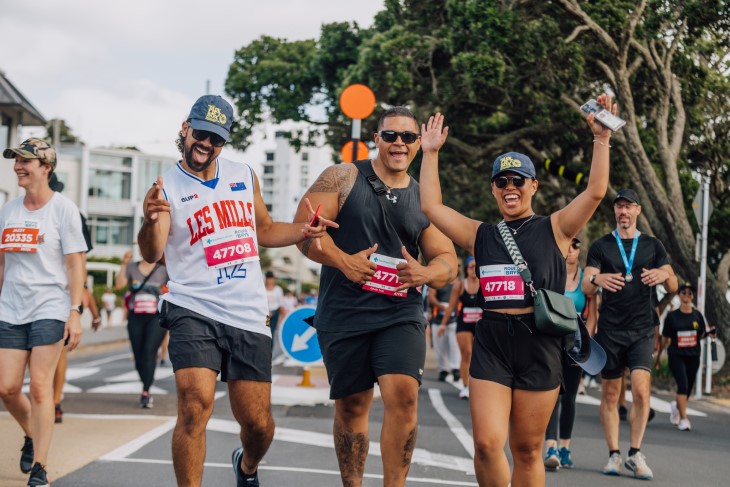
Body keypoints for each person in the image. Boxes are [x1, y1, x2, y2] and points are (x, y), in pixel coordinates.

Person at [419, 95, 615, 486]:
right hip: (492, 341)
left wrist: (601, 138)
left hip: (539, 343)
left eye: (518, 180)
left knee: (527, 450)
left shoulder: (556, 228)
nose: (510, 188)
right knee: (487, 445)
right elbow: (432, 207)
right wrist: (429, 154)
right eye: (501, 181)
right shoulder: (481, 234)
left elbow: (595, 191)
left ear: (533, 186)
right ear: (493, 189)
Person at [137, 94, 333, 487]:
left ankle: (247, 466)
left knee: (259, 425)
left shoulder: (243, 174)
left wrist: (303, 232)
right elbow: (152, 251)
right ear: (185, 128)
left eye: (216, 138)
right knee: (194, 406)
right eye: (201, 133)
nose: (206, 144)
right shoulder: (166, 186)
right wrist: (149, 219)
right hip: (191, 306)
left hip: (246, 313)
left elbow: (264, 229)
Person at [293, 106, 457, 486]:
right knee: (352, 405)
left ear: (418, 143)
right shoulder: (342, 176)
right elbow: (304, 233)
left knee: (404, 395)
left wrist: (426, 272)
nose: (399, 143)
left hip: (399, 313)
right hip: (343, 312)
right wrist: (341, 260)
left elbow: (447, 258)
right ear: (377, 139)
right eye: (391, 136)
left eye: (408, 137)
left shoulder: (423, 199)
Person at [0, 138, 87, 486]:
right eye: (16, 161)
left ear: (46, 168)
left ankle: (40, 467)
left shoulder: (63, 210)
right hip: (11, 307)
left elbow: (74, 264)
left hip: (49, 306)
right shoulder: (9, 210)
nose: (19, 166)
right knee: (6, 388)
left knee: (39, 387)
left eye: (26, 162)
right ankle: (32, 435)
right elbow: (3, 262)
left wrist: (75, 310)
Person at [583, 188, 678, 480]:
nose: (623, 212)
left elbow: (673, 283)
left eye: (628, 207)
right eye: (619, 207)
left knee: (640, 389)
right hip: (610, 331)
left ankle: (635, 454)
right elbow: (586, 286)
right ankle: (614, 454)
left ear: (638, 211)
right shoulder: (601, 246)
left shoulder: (652, 246)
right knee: (611, 394)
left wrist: (664, 276)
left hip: (641, 330)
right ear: (615, 212)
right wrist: (597, 278)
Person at [543, 237, 596, 470]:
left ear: (579, 250)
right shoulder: (553, 273)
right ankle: (550, 446)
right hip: (553, 341)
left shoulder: (586, 280)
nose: (571, 250)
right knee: (552, 393)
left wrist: (587, 343)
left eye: (576, 246)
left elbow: (593, 315)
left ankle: (565, 447)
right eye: (568, 245)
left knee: (570, 397)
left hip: (576, 342)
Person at [114, 249, 169, 408]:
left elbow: (175, 286)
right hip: (135, 316)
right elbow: (119, 285)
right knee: (138, 356)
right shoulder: (131, 267)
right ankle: (145, 381)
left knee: (149, 352)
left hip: (155, 317)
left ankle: (146, 391)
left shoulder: (163, 270)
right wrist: (124, 264)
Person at [661, 282, 715, 431]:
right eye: (683, 292)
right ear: (679, 295)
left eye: (690, 293)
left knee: (688, 388)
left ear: (692, 297)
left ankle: (676, 406)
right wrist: (659, 355)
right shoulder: (672, 316)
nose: (687, 295)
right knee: (683, 385)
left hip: (693, 355)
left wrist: (710, 333)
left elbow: (702, 334)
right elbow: (665, 337)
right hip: (676, 355)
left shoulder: (697, 315)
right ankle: (684, 420)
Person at [441, 256, 482, 399]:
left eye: (476, 266)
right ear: (466, 268)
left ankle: (478, 387)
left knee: (479, 356)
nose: (473, 269)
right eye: (471, 266)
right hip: (464, 323)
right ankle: (465, 387)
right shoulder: (460, 285)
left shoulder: (484, 284)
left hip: (480, 324)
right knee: (467, 354)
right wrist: (442, 324)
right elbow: (451, 306)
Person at [429, 278, 460, 383]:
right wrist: (442, 307)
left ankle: (455, 369)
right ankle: (443, 370)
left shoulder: (458, 283)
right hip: (438, 318)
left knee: (454, 345)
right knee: (439, 346)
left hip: (454, 319)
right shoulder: (438, 281)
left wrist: (451, 308)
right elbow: (431, 298)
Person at [264, 271, 285, 360]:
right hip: (266, 315)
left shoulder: (278, 290)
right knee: (266, 332)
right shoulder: (262, 288)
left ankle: (269, 353)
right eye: (268, 279)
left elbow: (281, 304)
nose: (270, 281)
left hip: (275, 313)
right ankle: (264, 351)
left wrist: (282, 317)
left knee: (272, 332)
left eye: (271, 279)